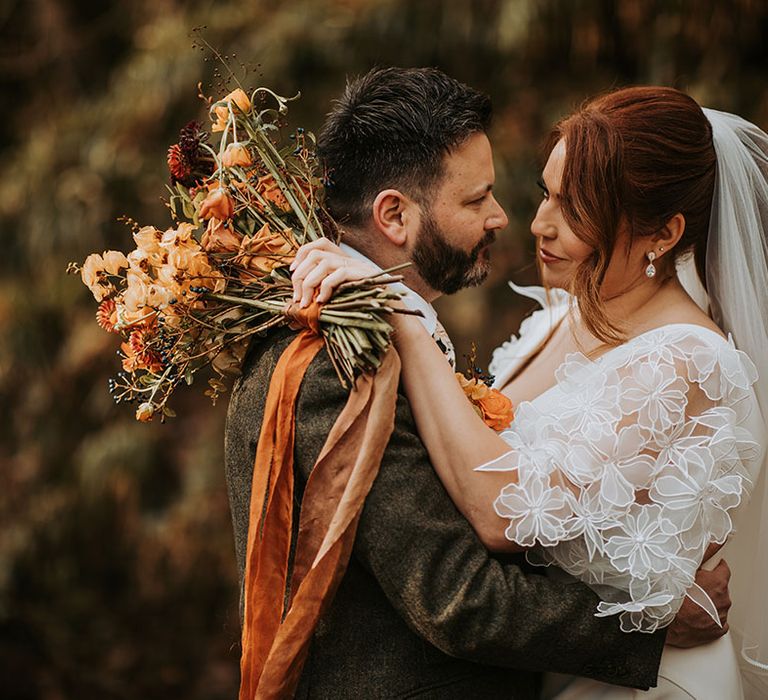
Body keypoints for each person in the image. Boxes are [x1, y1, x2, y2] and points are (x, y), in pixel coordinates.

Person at [226, 69, 730, 699]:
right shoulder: (337, 357)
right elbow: (455, 596)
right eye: (475, 200)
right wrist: (645, 629)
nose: (504, 218)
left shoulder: (388, 336)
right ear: (394, 216)